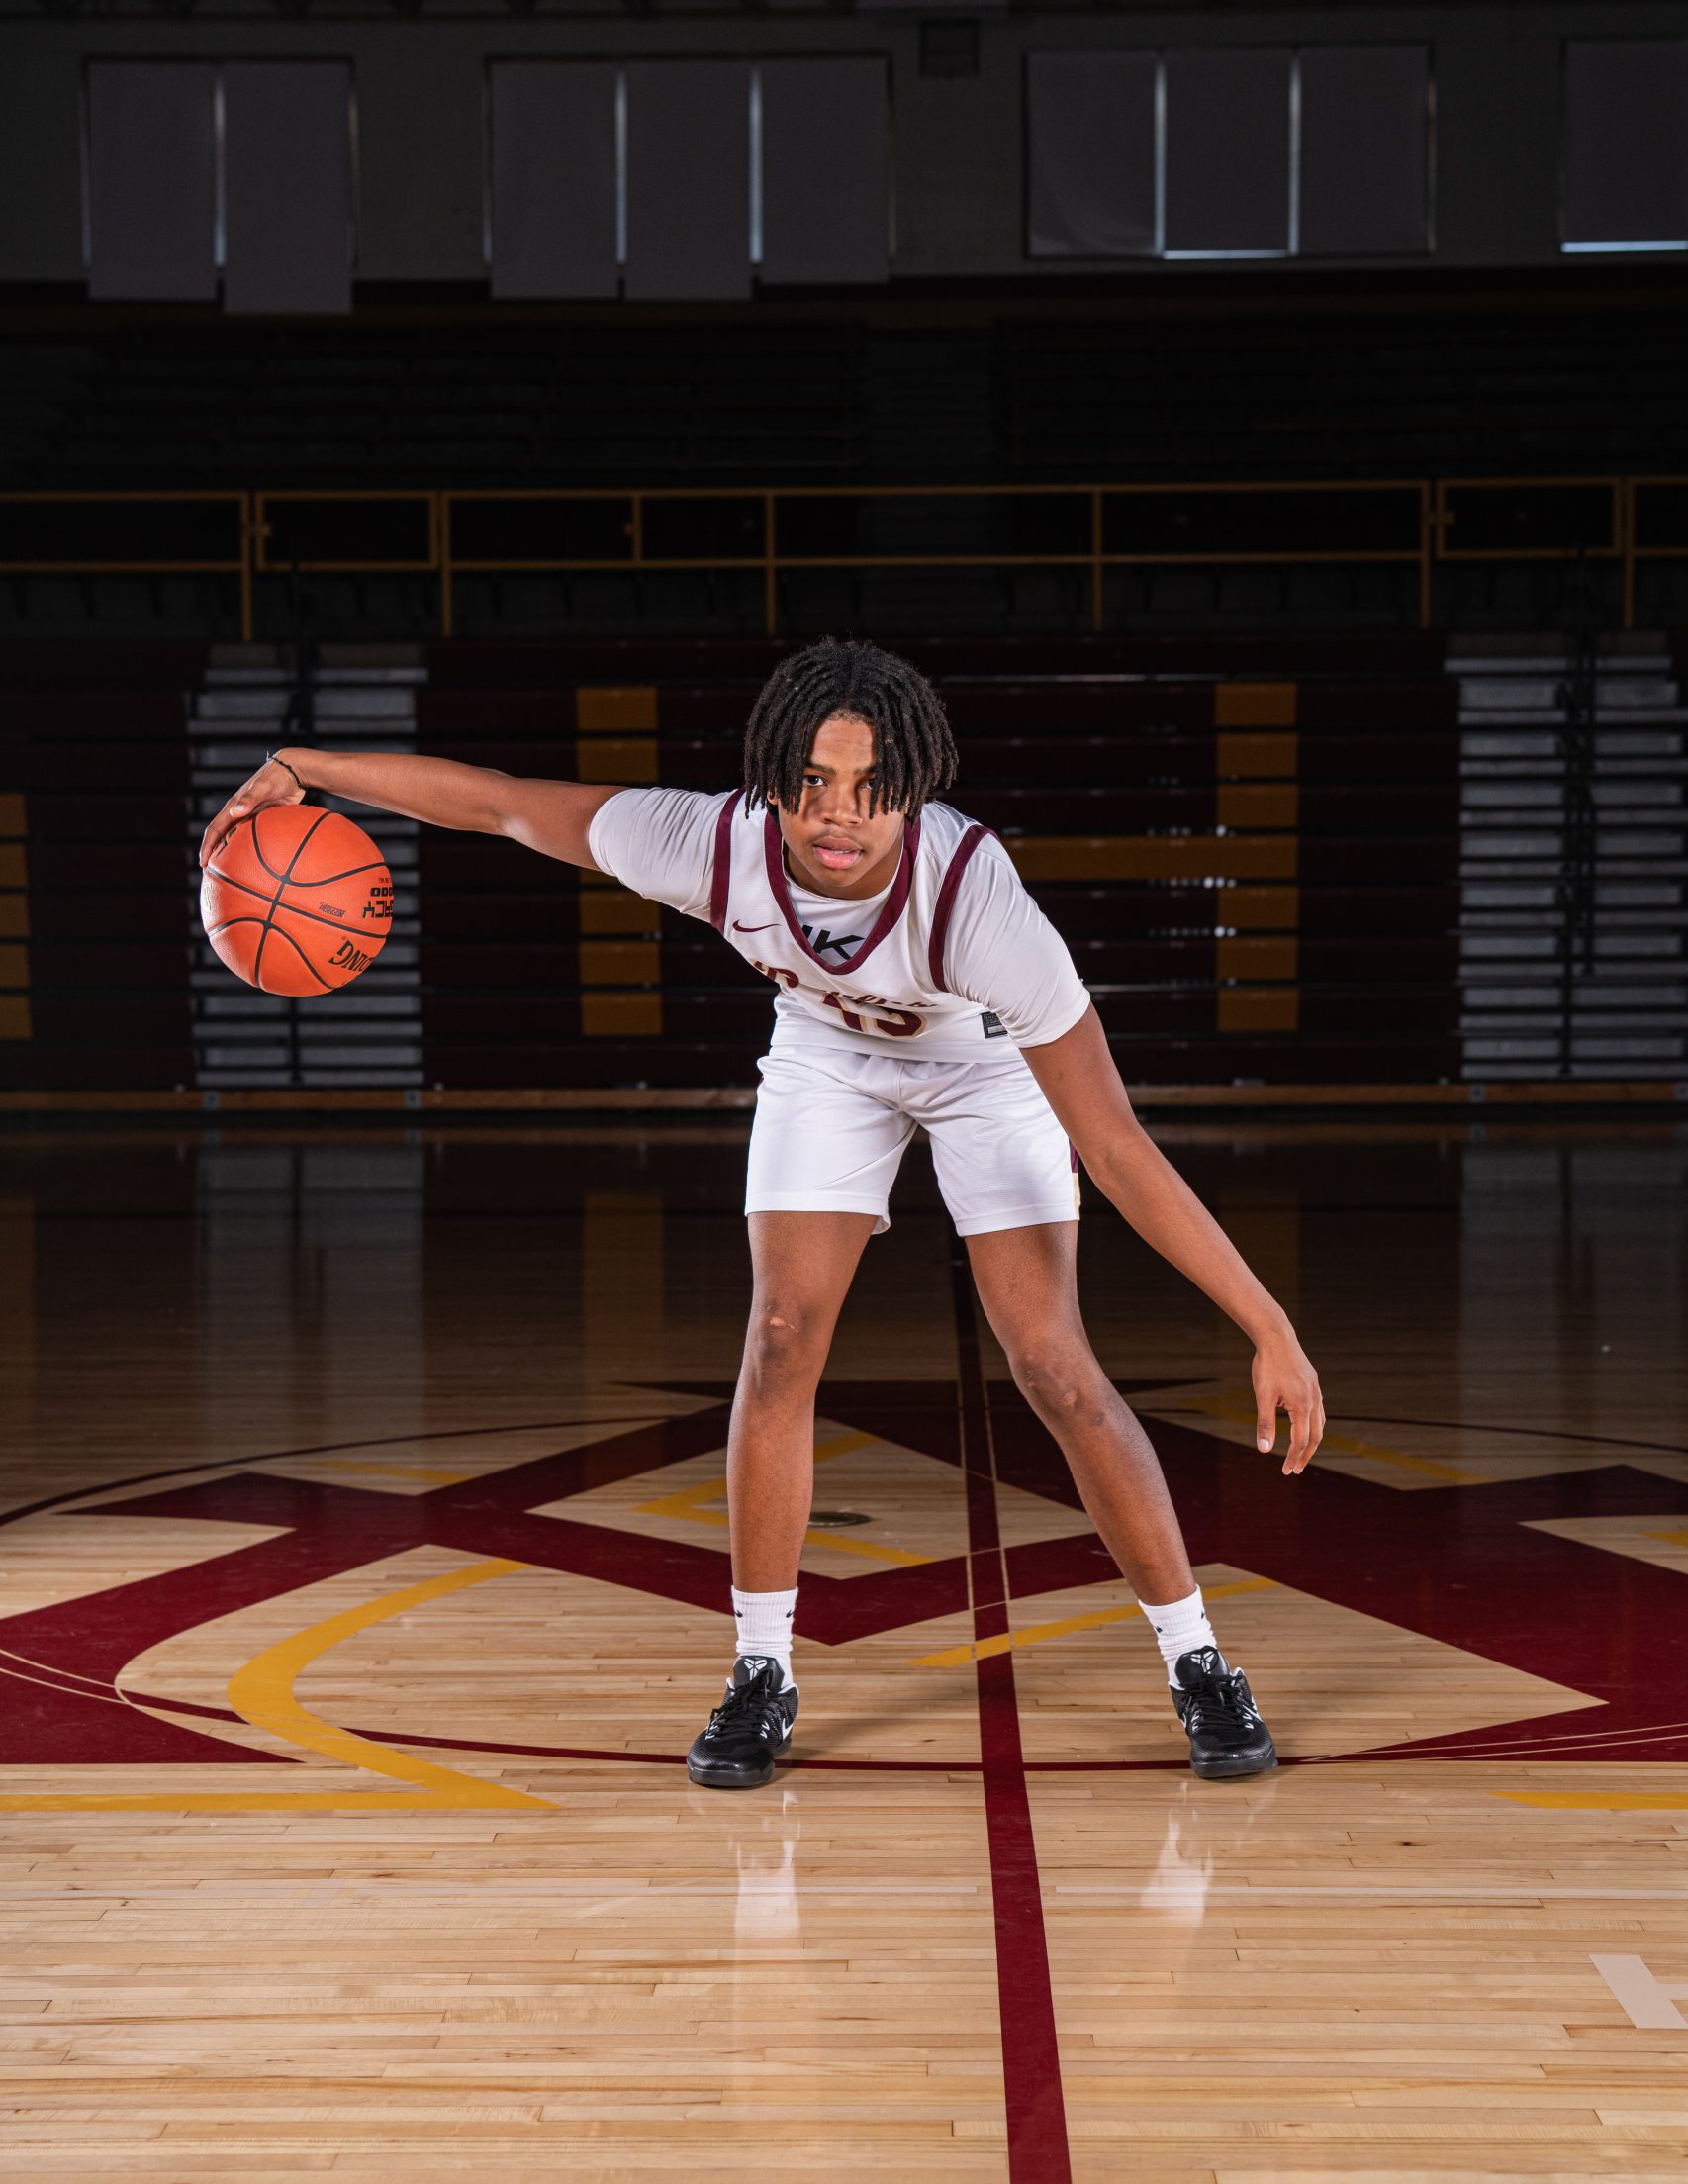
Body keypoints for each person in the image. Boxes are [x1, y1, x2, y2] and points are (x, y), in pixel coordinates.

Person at [203, 638, 1324, 1789]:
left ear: (913, 789)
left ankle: (1195, 1658)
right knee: (780, 1337)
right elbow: (498, 804)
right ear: (772, 774)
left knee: (1052, 1365)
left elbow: (1115, 1145)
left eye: (871, 786)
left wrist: (1266, 1325)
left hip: (983, 1068)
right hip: (829, 1056)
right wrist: (309, 766)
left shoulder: (977, 903)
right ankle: (760, 1669)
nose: (837, 814)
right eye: (813, 780)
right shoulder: (709, 843)